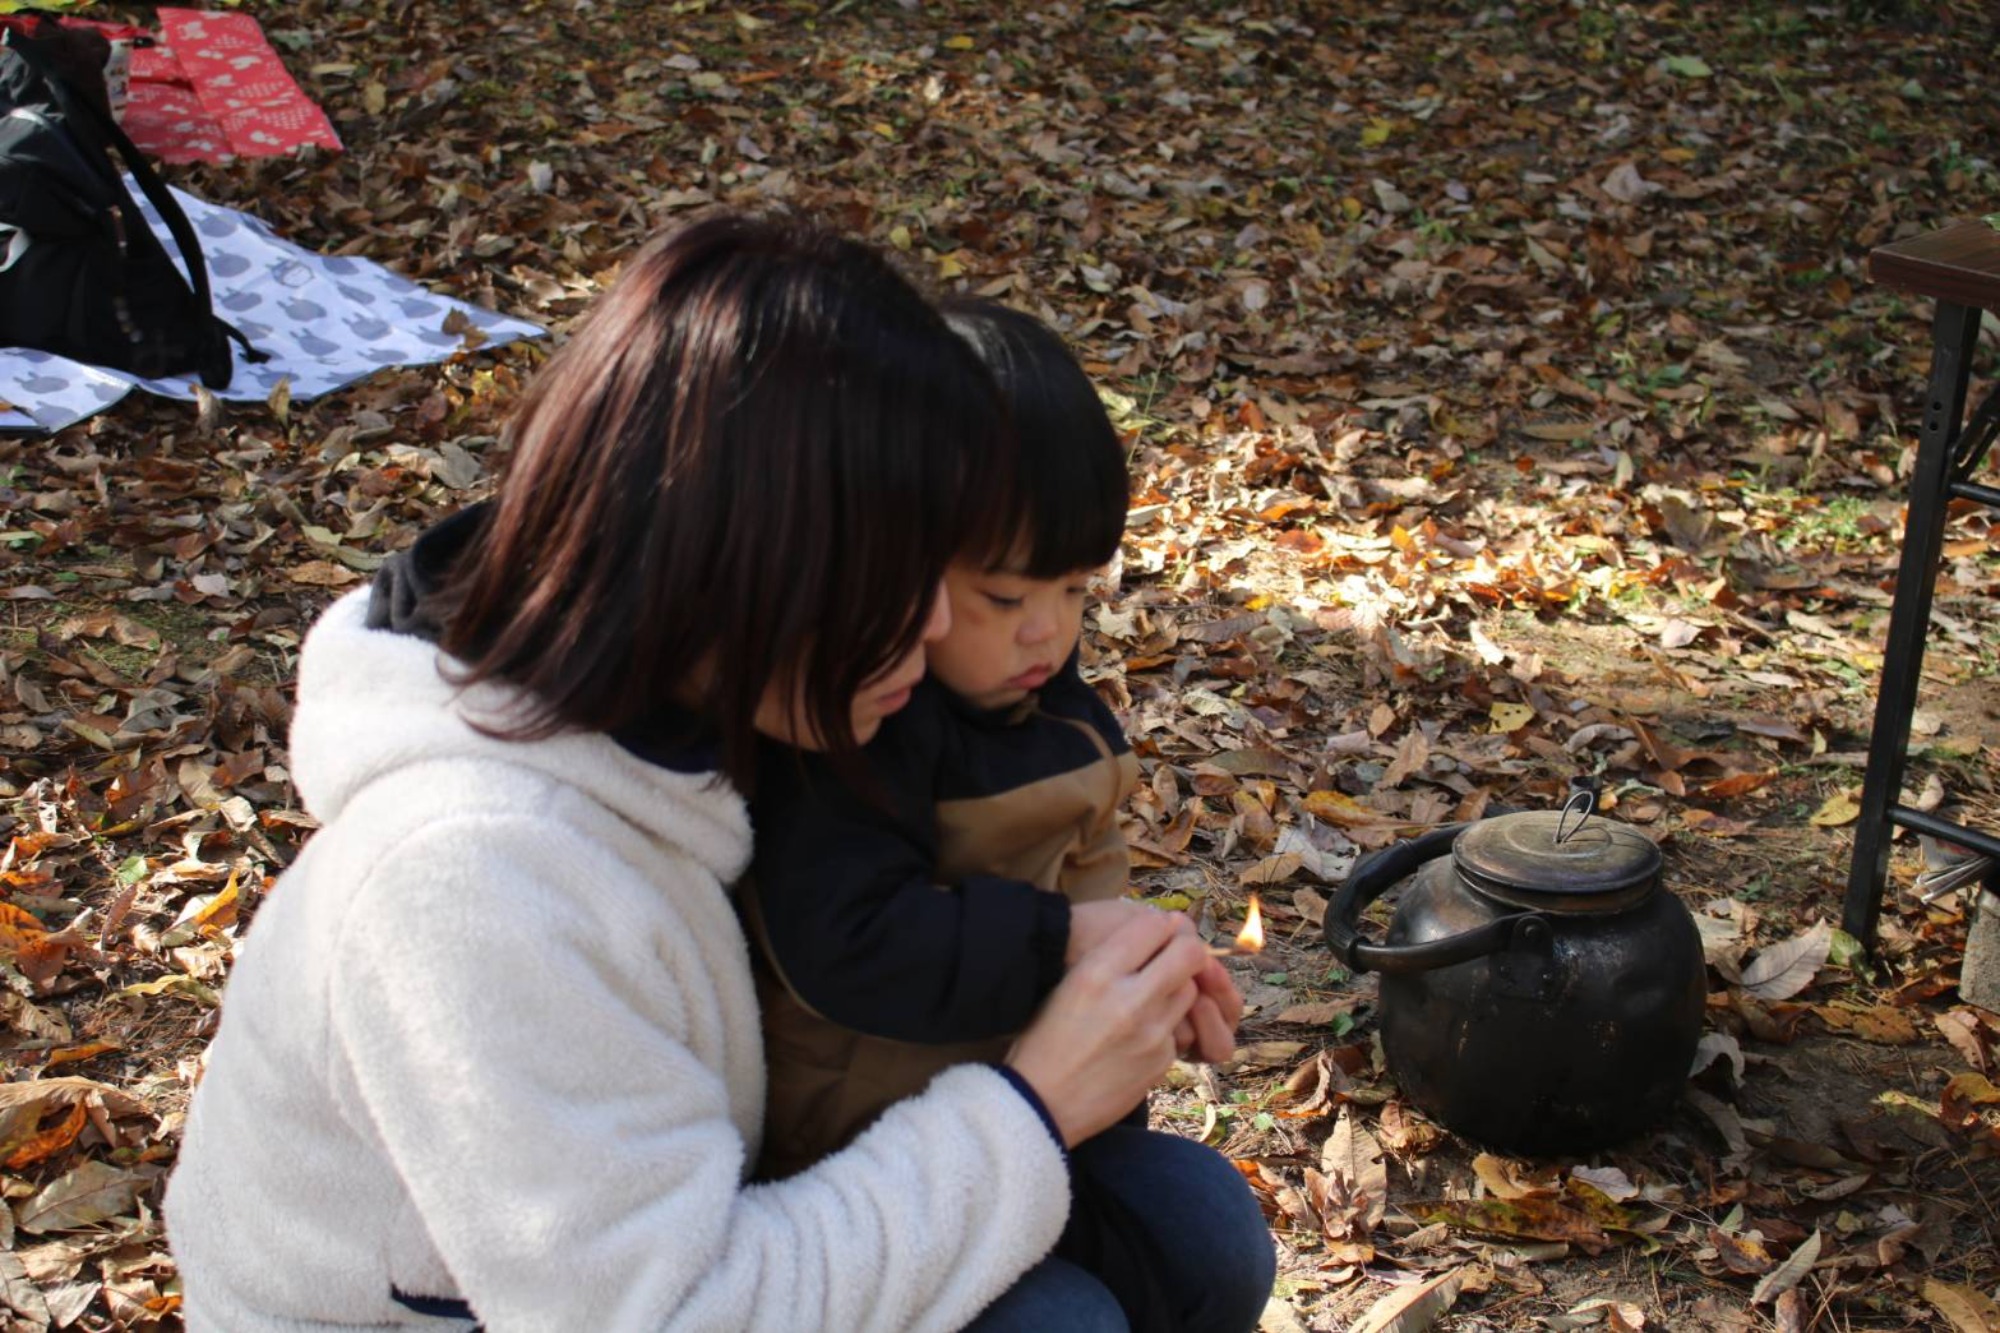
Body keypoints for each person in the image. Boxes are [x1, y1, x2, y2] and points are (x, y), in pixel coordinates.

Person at [164, 213, 1240, 1332]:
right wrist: (1033, 1102)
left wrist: (1085, 952)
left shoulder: (699, 691)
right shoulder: (474, 880)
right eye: (898, 575)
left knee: (1190, 1234)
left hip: (684, 1226)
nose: (931, 625)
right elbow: (674, 1311)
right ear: (760, 556)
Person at [744, 300, 1275, 1332]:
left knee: (1210, 1228)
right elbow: (847, 940)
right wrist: (1062, 945)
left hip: (1041, 1121)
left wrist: (1144, 999)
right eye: (999, 597)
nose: (1045, 630)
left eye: (1075, 589)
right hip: (864, 1159)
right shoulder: (852, 730)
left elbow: (1081, 880)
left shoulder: (1047, 709)